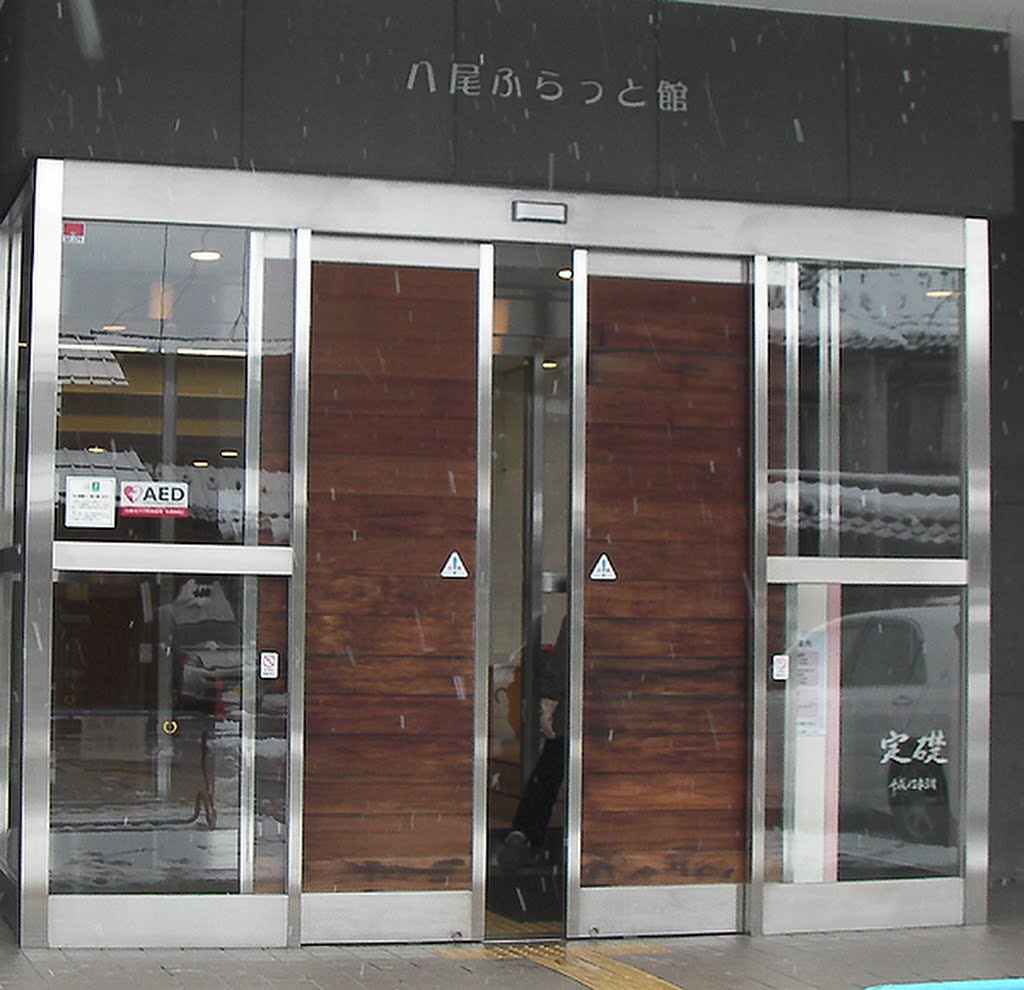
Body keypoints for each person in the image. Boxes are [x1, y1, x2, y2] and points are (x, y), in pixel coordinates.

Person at [499, 615, 567, 869]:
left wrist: (549, 701)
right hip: (606, 718)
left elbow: (560, 663)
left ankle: (524, 834)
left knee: (547, 775)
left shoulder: (580, 616)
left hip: (573, 716)